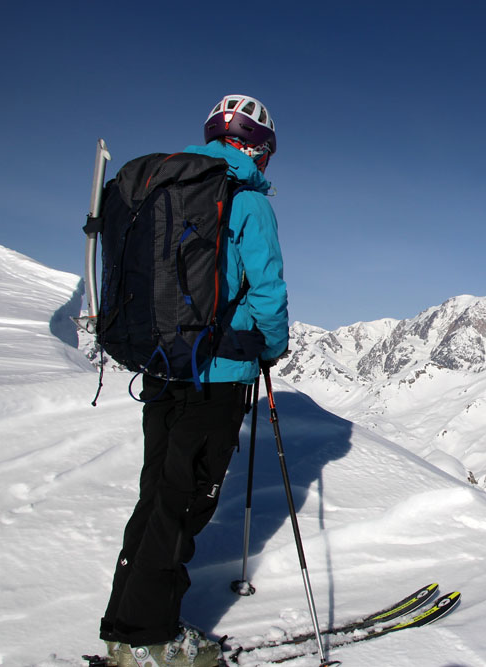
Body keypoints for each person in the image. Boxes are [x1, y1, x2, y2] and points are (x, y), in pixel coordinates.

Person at [99, 95, 289, 667]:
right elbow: (268, 292)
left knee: (157, 495)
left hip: (160, 367)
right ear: (256, 146)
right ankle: (151, 639)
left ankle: (125, 626)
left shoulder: (158, 187)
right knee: (182, 506)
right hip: (218, 373)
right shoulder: (245, 201)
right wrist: (271, 348)